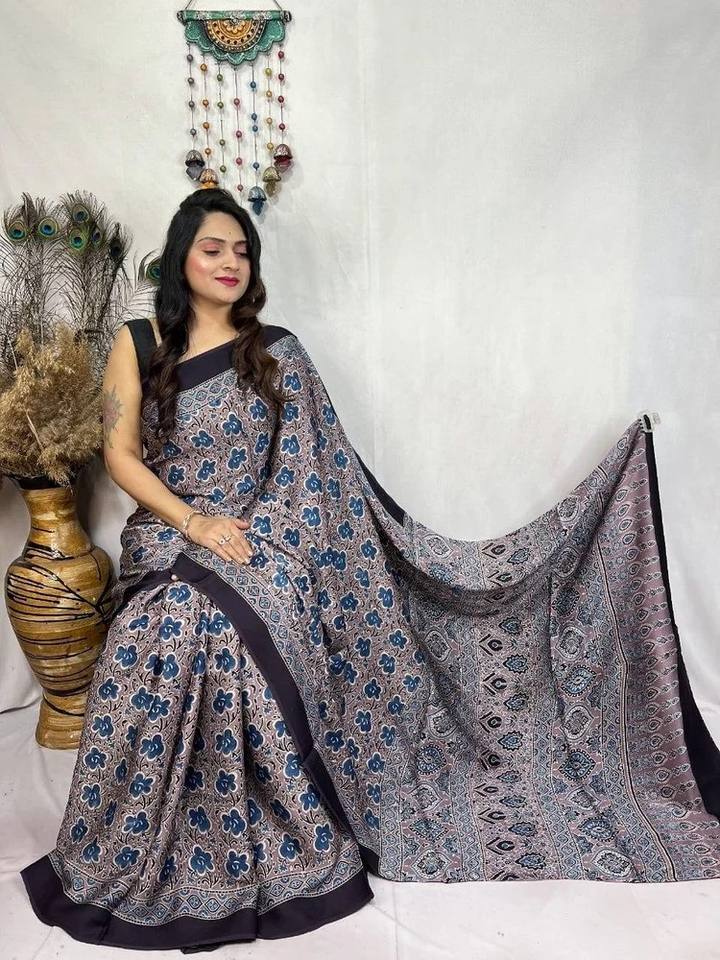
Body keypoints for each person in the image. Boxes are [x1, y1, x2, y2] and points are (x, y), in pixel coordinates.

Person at [20, 189, 720, 952]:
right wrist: (195, 524)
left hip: (264, 535)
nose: (229, 263)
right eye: (213, 248)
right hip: (169, 532)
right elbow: (120, 454)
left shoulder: (277, 352)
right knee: (156, 629)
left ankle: (267, 818)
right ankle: (136, 838)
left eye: (242, 251)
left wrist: (255, 536)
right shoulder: (139, 342)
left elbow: (311, 475)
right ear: (181, 256)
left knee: (219, 619)